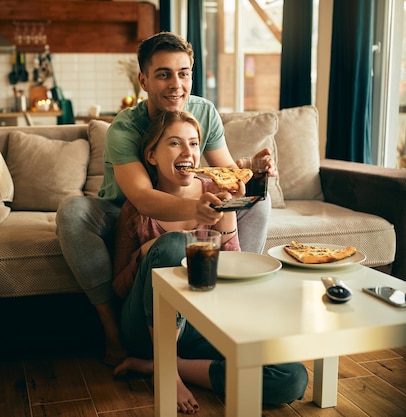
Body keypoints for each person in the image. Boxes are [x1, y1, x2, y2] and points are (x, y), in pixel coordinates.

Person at [56, 31, 275, 366]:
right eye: (164, 74)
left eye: (183, 73)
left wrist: (250, 174)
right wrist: (200, 211)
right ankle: (113, 332)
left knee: (262, 207)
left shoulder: (205, 112)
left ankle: (234, 299)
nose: (176, 84)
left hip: (191, 208)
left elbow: (227, 177)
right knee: (73, 211)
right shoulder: (125, 129)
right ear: (143, 80)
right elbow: (143, 198)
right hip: (123, 211)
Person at [111, 110, 307, 414]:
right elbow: (119, 288)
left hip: (199, 324)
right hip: (145, 328)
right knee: (175, 244)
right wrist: (149, 253)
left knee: (291, 377)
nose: (187, 152)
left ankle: (163, 366)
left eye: (193, 143)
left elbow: (232, 267)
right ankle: (167, 372)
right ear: (152, 155)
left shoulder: (217, 195)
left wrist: (229, 209)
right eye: (175, 143)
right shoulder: (138, 207)